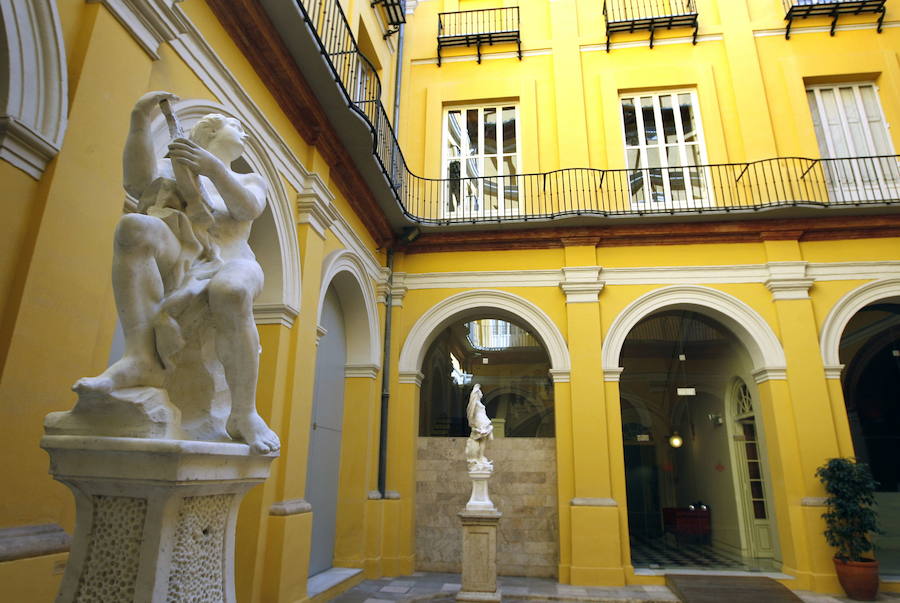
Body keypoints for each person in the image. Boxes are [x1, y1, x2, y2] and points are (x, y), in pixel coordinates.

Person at [73, 91, 279, 454]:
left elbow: (245, 209)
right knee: (133, 227)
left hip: (235, 262)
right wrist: (140, 119)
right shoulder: (174, 171)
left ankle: (243, 413)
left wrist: (211, 168)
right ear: (210, 133)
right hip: (186, 259)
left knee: (229, 291)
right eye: (236, 126)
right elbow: (137, 184)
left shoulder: (249, 180)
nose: (244, 133)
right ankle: (140, 357)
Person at [465, 383, 493, 470]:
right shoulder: (475, 403)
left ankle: (481, 457)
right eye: (480, 392)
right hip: (480, 422)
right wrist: (476, 388)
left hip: (483, 420)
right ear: (477, 394)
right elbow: (470, 412)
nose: (482, 394)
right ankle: (480, 457)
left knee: (484, 440)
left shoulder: (479, 403)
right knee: (482, 439)